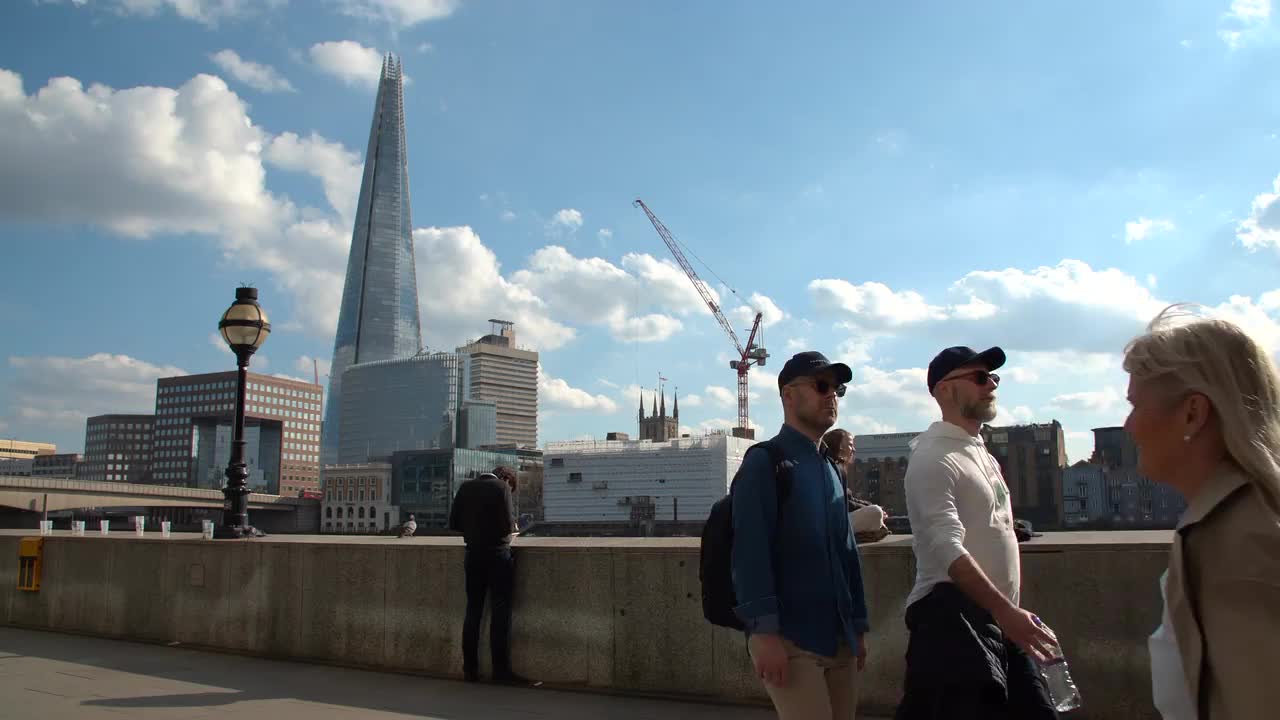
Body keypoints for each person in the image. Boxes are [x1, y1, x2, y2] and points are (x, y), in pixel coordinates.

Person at [1123, 306, 1280, 718]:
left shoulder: (1233, 541)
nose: (1128, 425)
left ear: (1193, 412)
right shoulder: (1235, 518)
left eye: (1136, 406)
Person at [895, 346, 1059, 720]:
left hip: (998, 621)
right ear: (945, 390)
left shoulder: (979, 452)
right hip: (952, 625)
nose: (992, 386)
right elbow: (946, 549)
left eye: (993, 377)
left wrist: (1010, 612)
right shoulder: (933, 457)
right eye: (980, 378)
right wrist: (1006, 610)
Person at [732, 351, 870, 720]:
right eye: (822, 386)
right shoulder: (766, 462)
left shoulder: (831, 469)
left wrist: (858, 625)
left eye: (837, 389)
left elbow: (847, 552)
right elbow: (749, 552)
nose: (832, 396)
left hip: (840, 636)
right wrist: (763, 634)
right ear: (788, 396)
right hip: (792, 640)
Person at [448, 465, 530, 685]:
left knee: (473, 610)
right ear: (508, 480)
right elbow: (506, 525)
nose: (510, 491)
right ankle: (500, 671)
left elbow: (454, 523)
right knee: (500, 611)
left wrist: (476, 530)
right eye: (511, 488)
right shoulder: (501, 487)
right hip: (497, 556)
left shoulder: (465, 487)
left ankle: (470, 670)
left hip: (472, 555)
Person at [823, 428, 889, 543]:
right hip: (831, 525)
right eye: (850, 445)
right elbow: (844, 503)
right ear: (839, 446)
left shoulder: (838, 467)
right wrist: (871, 508)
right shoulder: (831, 468)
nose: (854, 449)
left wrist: (868, 505)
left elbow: (849, 499)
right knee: (875, 512)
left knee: (875, 510)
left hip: (837, 521)